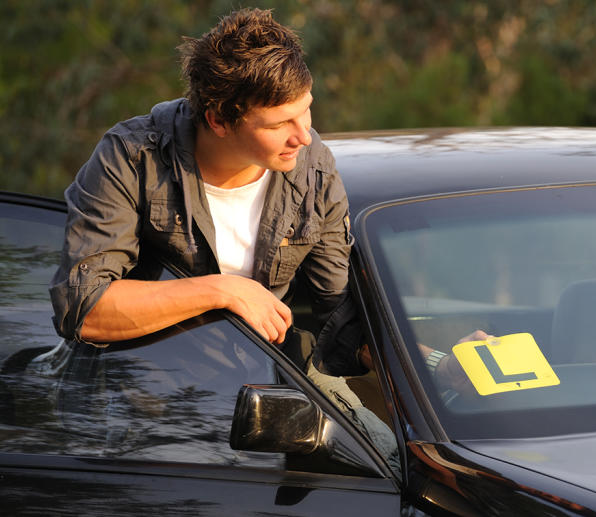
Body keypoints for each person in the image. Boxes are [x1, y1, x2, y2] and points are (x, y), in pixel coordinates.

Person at [49, 8, 366, 377]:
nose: (303, 136)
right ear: (218, 120)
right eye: (280, 124)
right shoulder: (131, 159)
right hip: (143, 396)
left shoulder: (314, 169)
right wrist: (222, 290)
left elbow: (338, 320)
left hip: (265, 387)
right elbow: (85, 309)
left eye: (306, 111)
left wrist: (437, 364)